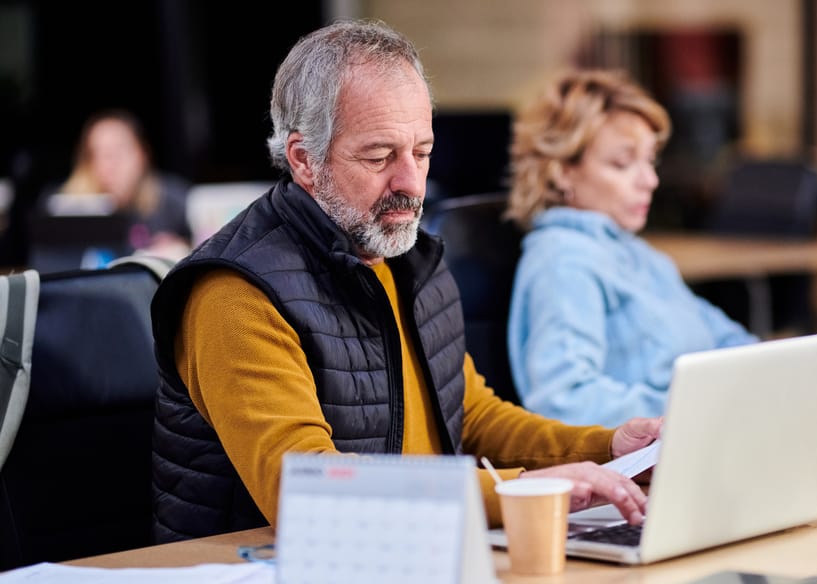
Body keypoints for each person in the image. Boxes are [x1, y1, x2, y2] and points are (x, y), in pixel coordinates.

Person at [149, 20, 661, 543]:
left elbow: (471, 417)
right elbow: (306, 493)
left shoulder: (403, 255)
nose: (411, 184)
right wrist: (526, 491)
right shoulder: (236, 294)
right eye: (379, 157)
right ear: (304, 160)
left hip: (415, 551)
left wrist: (611, 448)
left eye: (422, 151)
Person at [505, 69, 758, 428]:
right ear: (561, 171)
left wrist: (768, 377)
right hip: (648, 460)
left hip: (707, 436)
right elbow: (563, 398)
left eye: (650, 161)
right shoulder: (562, 261)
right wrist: (698, 410)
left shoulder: (643, 257)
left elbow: (727, 340)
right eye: (622, 163)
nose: (650, 181)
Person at [56, 109, 192, 259]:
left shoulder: (173, 199)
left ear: (142, 155)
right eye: (99, 154)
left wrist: (182, 247)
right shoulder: (65, 209)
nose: (110, 165)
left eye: (118, 152)